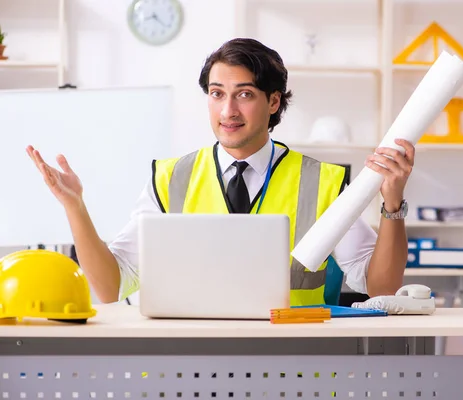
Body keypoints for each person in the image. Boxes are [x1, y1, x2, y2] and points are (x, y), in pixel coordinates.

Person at [26, 38, 415, 306]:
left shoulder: (322, 182)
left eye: (244, 94)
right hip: (188, 366)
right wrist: (75, 207)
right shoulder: (170, 178)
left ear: (274, 101)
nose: (228, 110)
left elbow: (381, 286)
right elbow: (112, 287)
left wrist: (392, 203)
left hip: (294, 366)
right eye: (216, 94)